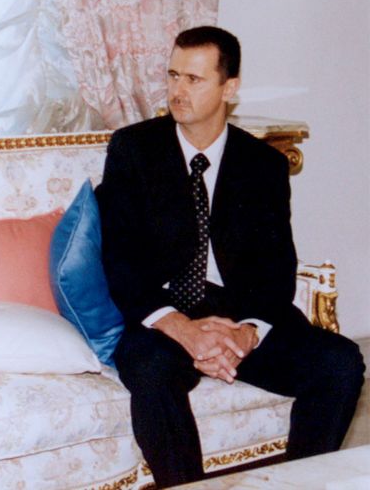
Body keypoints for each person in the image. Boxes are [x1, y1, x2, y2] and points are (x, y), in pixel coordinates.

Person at [96, 25, 364, 488]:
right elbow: (118, 261)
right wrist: (181, 329)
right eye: (173, 75)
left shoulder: (263, 164)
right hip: (164, 316)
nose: (177, 91)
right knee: (152, 370)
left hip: (236, 313)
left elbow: (277, 268)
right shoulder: (133, 149)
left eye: (194, 79)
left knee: (340, 361)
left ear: (229, 87)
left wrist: (245, 334)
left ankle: (298, 484)